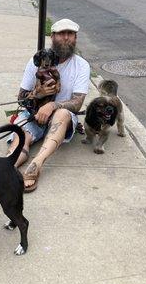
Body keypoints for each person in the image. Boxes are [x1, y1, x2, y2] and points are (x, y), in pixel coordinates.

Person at [7, 18, 90, 192]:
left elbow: (77, 103)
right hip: (34, 112)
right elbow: (21, 98)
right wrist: (38, 94)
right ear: (52, 36)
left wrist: (52, 105)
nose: (66, 38)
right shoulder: (36, 61)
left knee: (63, 114)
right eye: (61, 34)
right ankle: (7, 166)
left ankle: (36, 163)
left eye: (71, 34)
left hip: (61, 116)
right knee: (22, 137)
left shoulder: (81, 65)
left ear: (75, 38)